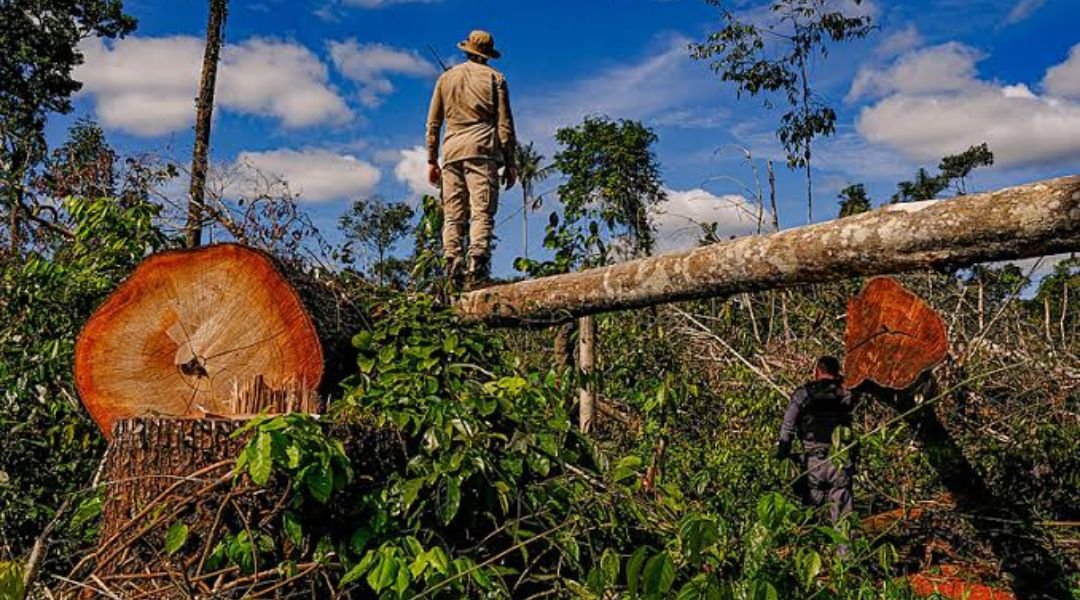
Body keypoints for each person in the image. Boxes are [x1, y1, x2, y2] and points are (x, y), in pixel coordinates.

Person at [425, 29, 517, 290]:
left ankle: (451, 265)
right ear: (487, 55)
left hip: (452, 152)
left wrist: (432, 160)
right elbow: (505, 126)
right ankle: (476, 266)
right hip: (482, 150)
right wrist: (510, 162)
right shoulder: (496, 78)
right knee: (482, 211)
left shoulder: (445, 78)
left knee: (452, 215)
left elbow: (433, 123)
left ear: (466, 50)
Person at [776, 356, 857, 526]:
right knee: (842, 519)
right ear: (837, 373)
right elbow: (855, 392)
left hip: (812, 461)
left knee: (811, 516)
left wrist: (783, 455)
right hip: (839, 460)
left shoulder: (803, 393)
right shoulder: (844, 393)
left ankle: (815, 548)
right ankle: (845, 552)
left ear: (816, 372)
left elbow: (787, 427)